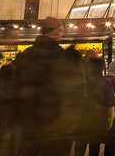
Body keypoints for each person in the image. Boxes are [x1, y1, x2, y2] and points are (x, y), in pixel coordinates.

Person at [13, 16, 75, 156]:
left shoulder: (25, 55)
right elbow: (68, 91)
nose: (62, 34)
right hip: (55, 126)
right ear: (55, 32)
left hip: (29, 124)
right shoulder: (62, 56)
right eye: (60, 31)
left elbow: (16, 88)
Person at [83, 57, 115, 156]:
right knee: (94, 145)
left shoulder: (84, 79)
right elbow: (110, 101)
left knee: (80, 145)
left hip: (83, 116)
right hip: (98, 118)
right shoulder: (105, 81)